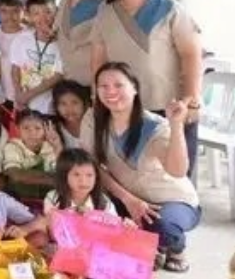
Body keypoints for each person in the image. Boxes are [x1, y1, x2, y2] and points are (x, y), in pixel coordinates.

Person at [90, 0, 202, 175]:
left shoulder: (170, 9)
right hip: (122, 107)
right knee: (131, 174)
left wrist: (191, 100)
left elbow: (191, 55)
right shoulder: (105, 13)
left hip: (167, 106)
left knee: (174, 176)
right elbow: (98, 60)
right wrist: (97, 98)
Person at [82, 62, 200, 273]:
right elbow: (92, 166)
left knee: (162, 227)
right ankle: (147, 245)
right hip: (127, 197)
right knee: (94, 218)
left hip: (171, 201)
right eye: (103, 86)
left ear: (134, 88)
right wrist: (129, 199)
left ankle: (175, 247)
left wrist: (176, 125)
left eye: (118, 85)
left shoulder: (155, 126)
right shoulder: (93, 119)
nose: (110, 92)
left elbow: (178, 171)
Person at [56, 0, 104, 87]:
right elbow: (59, 28)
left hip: (91, 81)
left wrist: (96, 88)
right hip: (64, 77)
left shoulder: (104, 7)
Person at [43, 147, 117, 217]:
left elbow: (114, 222)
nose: (83, 181)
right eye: (76, 175)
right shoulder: (53, 198)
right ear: (64, 176)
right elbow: (48, 222)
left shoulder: (104, 202)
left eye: (89, 175)